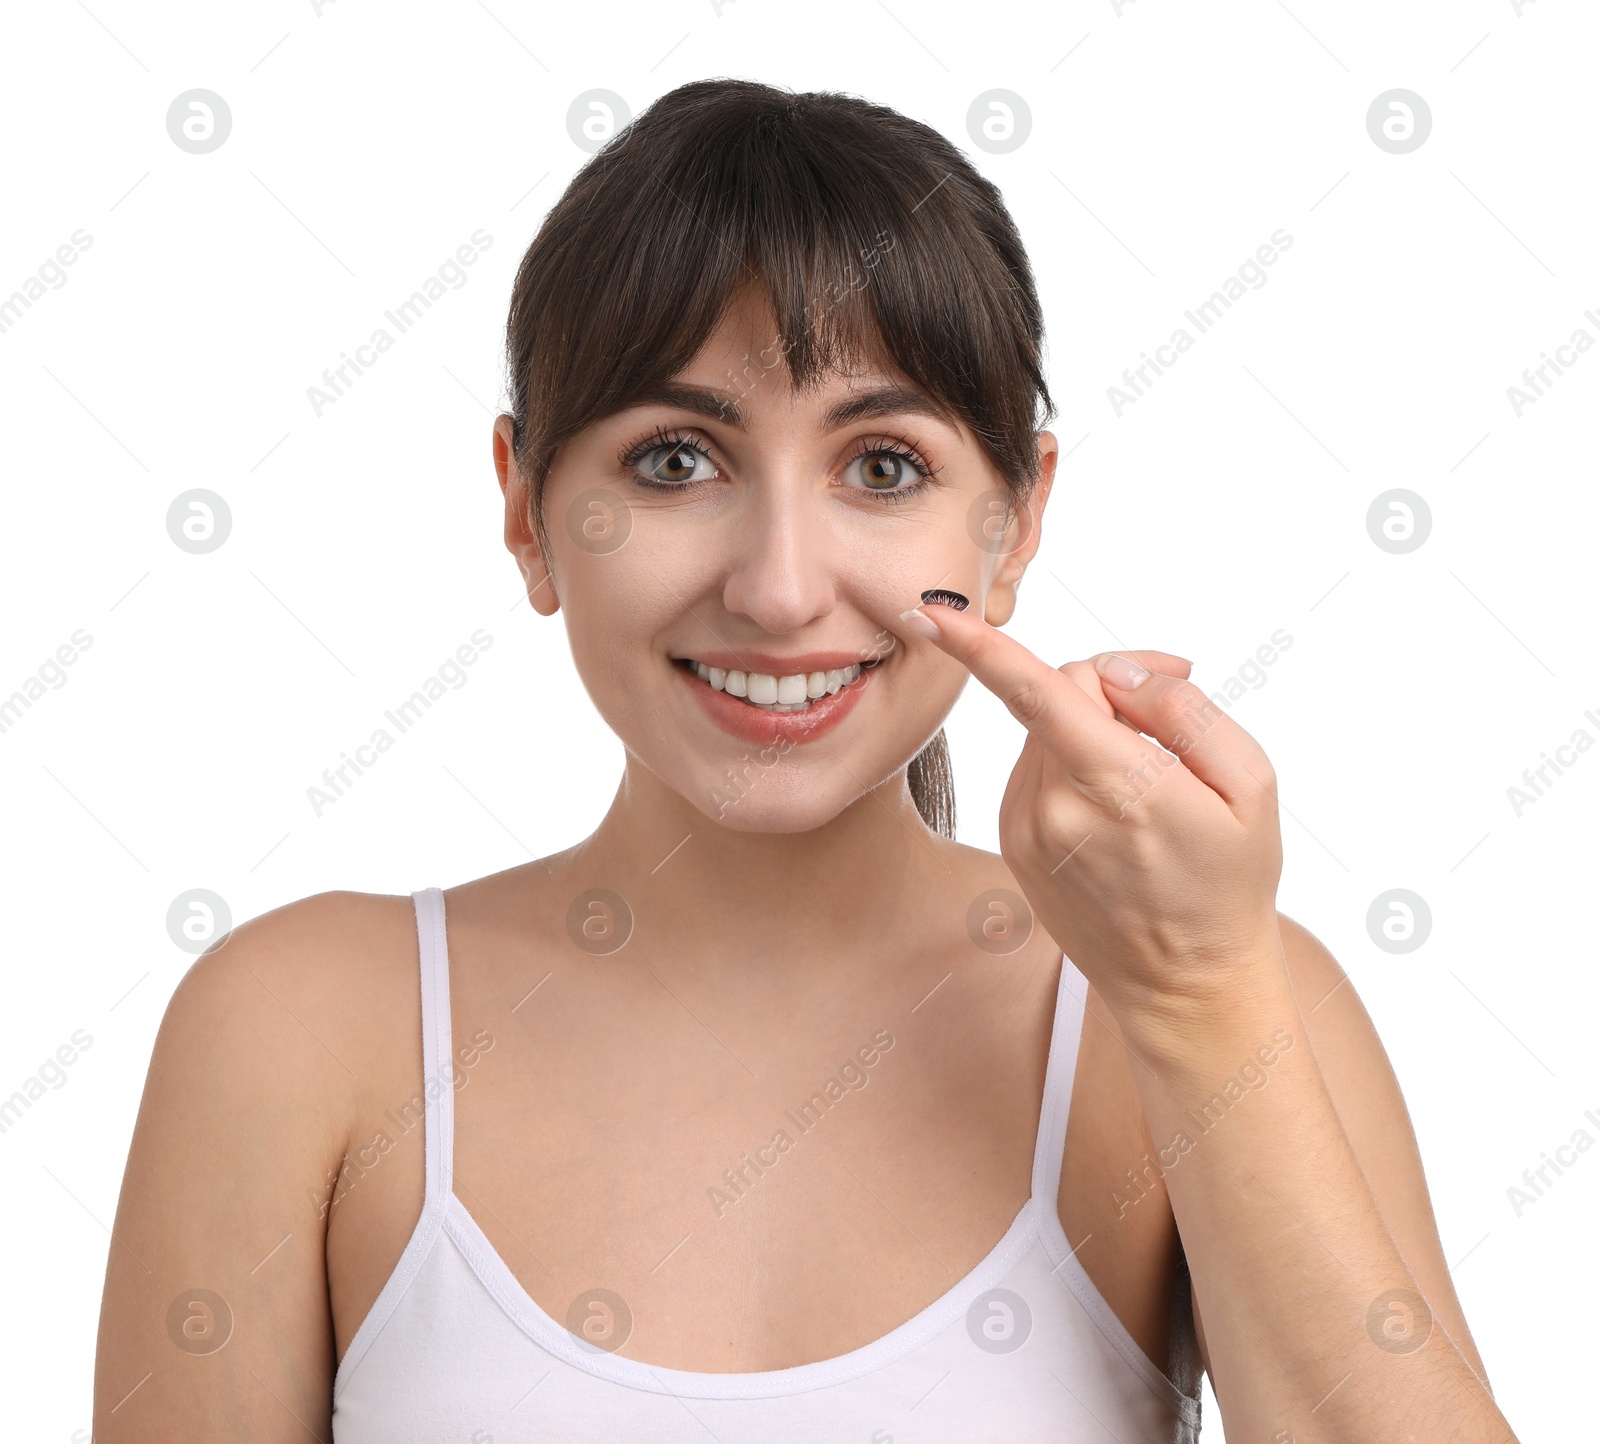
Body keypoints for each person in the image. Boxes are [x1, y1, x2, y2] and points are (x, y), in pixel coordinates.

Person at [94, 78, 1518, 1441]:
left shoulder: (1211, 1002)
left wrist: (1205, 996)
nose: (779, 589)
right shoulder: (291, 1034)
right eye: (673, 461)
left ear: (1013, 527)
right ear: (528, 513)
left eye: (883, 467)